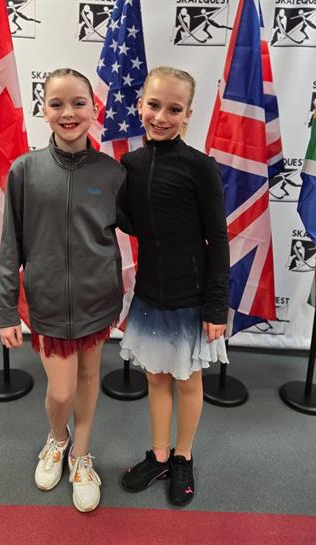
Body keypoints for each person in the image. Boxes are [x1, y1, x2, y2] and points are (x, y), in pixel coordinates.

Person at [0, 68, 125, 513]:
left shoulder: (112, 173)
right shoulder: (24, 170)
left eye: (78, 103)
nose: (68, 112)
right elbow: (10, 245)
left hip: (97, 300)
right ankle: (57, 437)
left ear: (94, 109)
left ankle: (80, 456)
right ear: (44, 110)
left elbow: (140, 227)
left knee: (89, 379)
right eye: (57, 104)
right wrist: (7, 311)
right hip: (48, 303)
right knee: (63, 391)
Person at [117, 66, 230, 507]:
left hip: (192, 295)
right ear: (140, 105)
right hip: (150, 292)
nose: (161, 117)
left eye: (174, 109)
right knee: (156, 377)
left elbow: (218, 239)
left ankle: (183, 455)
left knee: (187, 380)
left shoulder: (200, 167)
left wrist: (216, 306)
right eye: (154, 105)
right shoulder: (130, 164)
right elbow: (129, 220)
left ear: (188, 115)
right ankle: (160, 455)